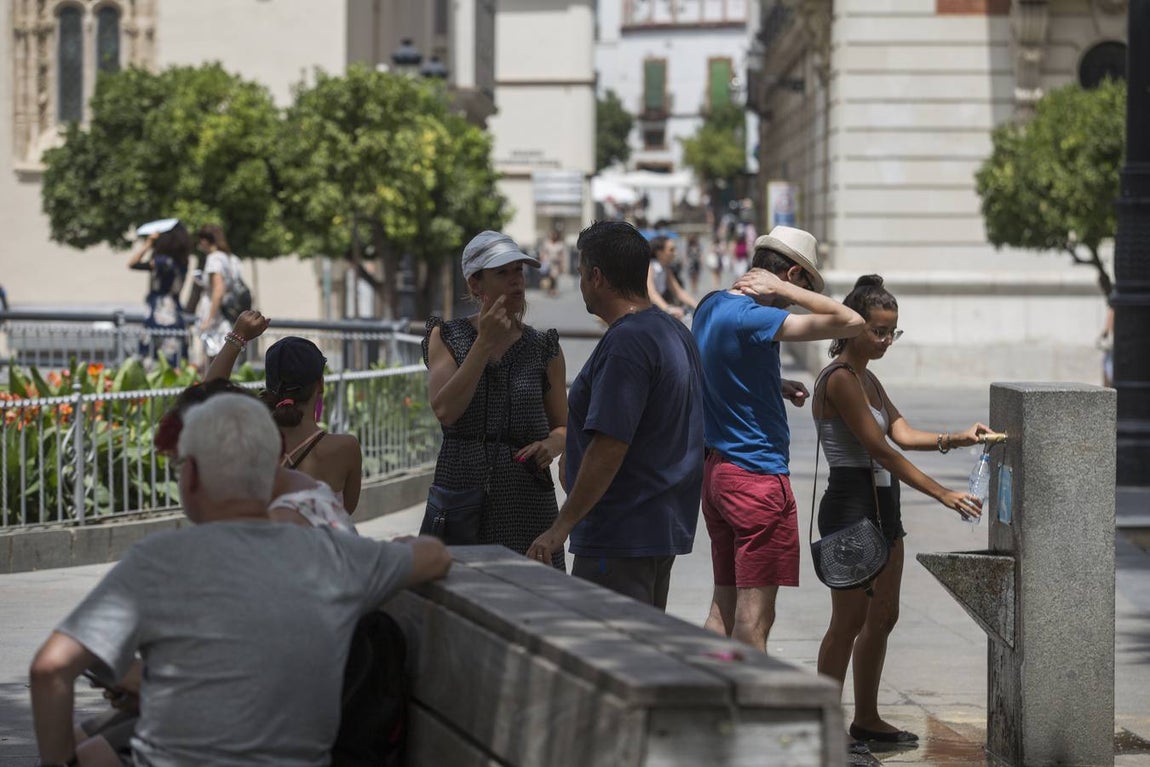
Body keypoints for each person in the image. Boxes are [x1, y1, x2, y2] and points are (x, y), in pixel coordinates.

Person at [29, 393, 451, 766]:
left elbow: (50, 670)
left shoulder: (156, 561)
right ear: (274, 468)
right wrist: (397, 549)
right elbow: (434, 555)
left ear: (191, 476)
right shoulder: (335, 555)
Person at [812, 275, 990, 747]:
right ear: (853, 326)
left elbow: (904, 433)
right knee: (846, 622)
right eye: (879, 331)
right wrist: (943, 494)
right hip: (850, 507)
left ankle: (866, 718)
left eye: (893, 332)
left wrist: (958, 437)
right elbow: (883, 450)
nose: (887, 340)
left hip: (882, 507)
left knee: (884, 615)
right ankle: (826, 724)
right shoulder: (840, 380)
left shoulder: (870, 379)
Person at [691, 225, 865, 654]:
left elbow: (722, 369)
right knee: (755, 619)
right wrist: (788, 292)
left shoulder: (711, 305)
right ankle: (753, 714)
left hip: (717, 475)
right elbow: (853, 322)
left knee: (723, 610)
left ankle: (708, 706)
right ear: (790, 273)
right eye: (802, 284)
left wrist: (774, 383)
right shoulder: (757, 317)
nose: (797, 295)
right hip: (756, 478)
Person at [527, 221, 704, 610]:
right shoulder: (673, 332)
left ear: (596, 277)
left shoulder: (628, 343)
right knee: (644, 656)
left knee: (615, 655)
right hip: (657, 527)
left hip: (621, 532)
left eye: (580, 273)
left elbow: (609, 446)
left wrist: (561, 527)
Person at [423, 230, 568, 567]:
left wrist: (552, 444)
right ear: (476, 284)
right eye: (502, 273)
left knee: (538, 601)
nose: (516, 281)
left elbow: (563, 425)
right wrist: (483, 344)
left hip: (527, 502)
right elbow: (446, 410)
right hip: (461, 494)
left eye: (519, 271)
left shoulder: (544, 347)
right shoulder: (448, 336)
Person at [256, 334, 364, 515]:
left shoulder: (250, 446)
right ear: (320, 384)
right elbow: (345, 512)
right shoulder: (346, 448)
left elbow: (206, 396)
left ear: (270, 387)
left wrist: (236, 340)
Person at [128, 222, 190, 368]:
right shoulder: (182, 262)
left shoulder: (162, 261)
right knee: (174, 361)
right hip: (175, 312)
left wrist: (149, 243)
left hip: (158, 312)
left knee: (151, 358)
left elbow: (133, 263)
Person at [193, 224, 244, 363]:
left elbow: (218, 289)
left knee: (213, 362)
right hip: (228, 316)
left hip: (216, 318)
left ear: (205, 240)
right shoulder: (230, 258)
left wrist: (208, 319)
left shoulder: (214, 259)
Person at [646, 235, 698, 319]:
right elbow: (651, 292)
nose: (675, 253)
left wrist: (698, 306)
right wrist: (668, 308)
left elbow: (678, 291)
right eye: (671, 250)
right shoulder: (650, 267)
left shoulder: (666, 268)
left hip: (653, 310)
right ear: (659, 253)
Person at [539, 228, 567, 296]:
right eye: (552, 234)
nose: (553, 236)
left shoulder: (560, 244)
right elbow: (543, 252)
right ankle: (551, 290)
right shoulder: (547, 243)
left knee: (554, 276)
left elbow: (562, 255)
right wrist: (542, 260)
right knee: (549, 277)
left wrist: (562, 265)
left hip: (556, 264)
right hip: (547, 263)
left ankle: (553, 289)